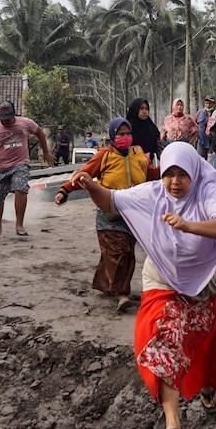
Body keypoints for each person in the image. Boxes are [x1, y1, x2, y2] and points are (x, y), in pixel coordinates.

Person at [72, 143, 216, 429]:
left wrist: (190, 225)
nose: (175, 183)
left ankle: (206, 385)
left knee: (200, 341)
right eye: (169, 175)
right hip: (161, 277)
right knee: (165, 339)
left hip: (202, 279)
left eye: (182, 175)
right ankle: (173, 425)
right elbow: (110, 201)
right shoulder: (152, 193)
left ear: (193, 173)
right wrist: (89, 184)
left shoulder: (210, 191)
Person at [56, 117, 159, 313]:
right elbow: (84, 174)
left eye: (128, 134)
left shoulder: (138, 154)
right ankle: (122, 295)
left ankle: (108, 285)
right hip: (109, 213)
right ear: (112, 136)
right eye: (121, 134)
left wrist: (171, 170)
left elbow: (150, 174)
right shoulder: (104, 155)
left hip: (133, 214)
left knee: (126, 253)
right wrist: (64, 190)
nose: (125, 137)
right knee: (118, 251)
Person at [0, 100, 52, 238]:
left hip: (20, 164)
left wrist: (46, 152)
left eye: (8, 119)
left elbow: (40, 133)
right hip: (1, 167)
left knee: (21, 189)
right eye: (3, 120)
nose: (5, 122)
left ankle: (19, 225)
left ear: (14, 115)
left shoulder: (25, 123)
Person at [126, 98, 160, 163]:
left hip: (149, 164)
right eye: (141, 108)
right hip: (132, 164)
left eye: (146, 109)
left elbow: (157, 145)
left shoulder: (151, 127)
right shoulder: (127, 128)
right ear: (135, 109)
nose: (144, 111)